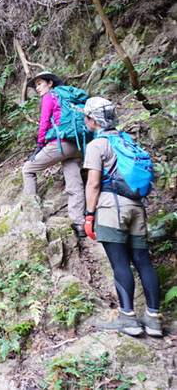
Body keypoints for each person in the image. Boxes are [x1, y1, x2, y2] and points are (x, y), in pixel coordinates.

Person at [82, 97, 163, 337]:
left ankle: (127, 318)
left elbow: (94, 184)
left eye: (86, 117)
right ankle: (154, 318)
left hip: (111, 209)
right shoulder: (127, 140)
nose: (85, 121)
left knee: (120, 263)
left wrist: (88, 215)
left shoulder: (97, 145)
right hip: (137, 208)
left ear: (93, 120)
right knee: (143, 260)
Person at [21, 71, 86, 237]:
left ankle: (31, 216)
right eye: (36, 85)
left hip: (61, 143)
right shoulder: (67, 96)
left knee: (28, 169)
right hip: (79, 144)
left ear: (50, 83)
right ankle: (79, 225)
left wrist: (39, 146)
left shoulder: (50, 97)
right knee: (74, 184)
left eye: (40, 83)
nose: (37, 88)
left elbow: (44, 123)